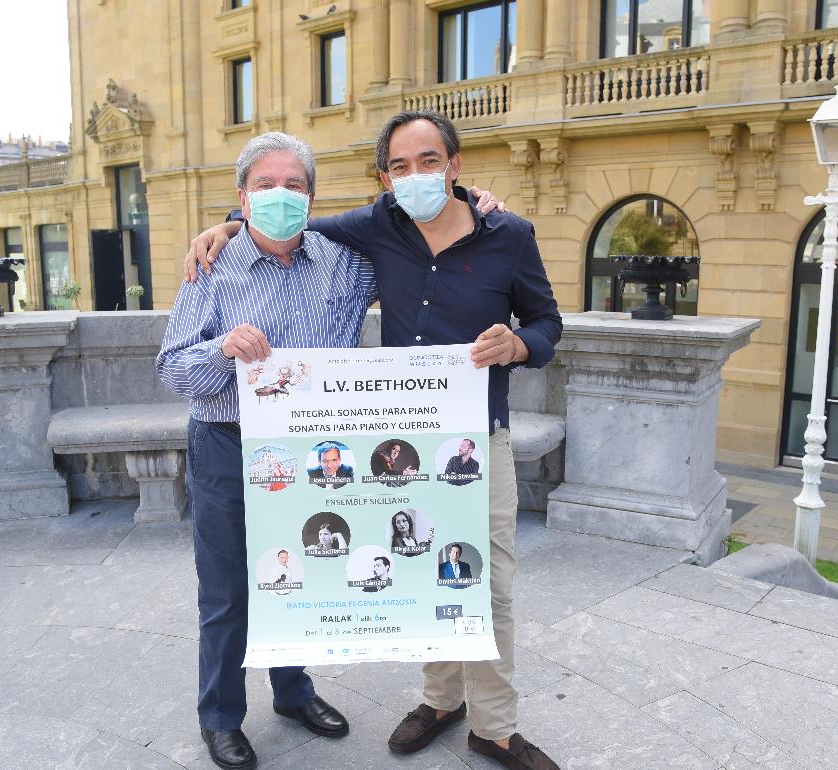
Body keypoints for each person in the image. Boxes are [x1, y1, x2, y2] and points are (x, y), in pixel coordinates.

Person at [185, 109, 562, 770]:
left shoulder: (509, 236)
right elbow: (289, 218)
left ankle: (495, 727)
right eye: (400, 166)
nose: (415, 176)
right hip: (404, 445)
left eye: (429, 161)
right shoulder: (378, 226)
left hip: (477, 435)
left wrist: (521, 343)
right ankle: (440, 702)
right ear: (384, 177)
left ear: (454, 164)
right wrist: (226, 225)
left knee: (486, 584)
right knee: (424, 571)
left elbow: (546, 323)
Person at [156, 132, 371, 770]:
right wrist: (222, 349)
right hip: (226, 443)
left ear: (312, 195)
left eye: (294, 185)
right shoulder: (210, 266)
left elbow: (412, 242)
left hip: (306, 446)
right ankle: (220, 716)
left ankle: (292, 690)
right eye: (265, 185)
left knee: (298, 570)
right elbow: (172, 368)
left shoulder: (344, 265)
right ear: (242, 199)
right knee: (226, 591)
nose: (281, 195)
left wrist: (479, 202)